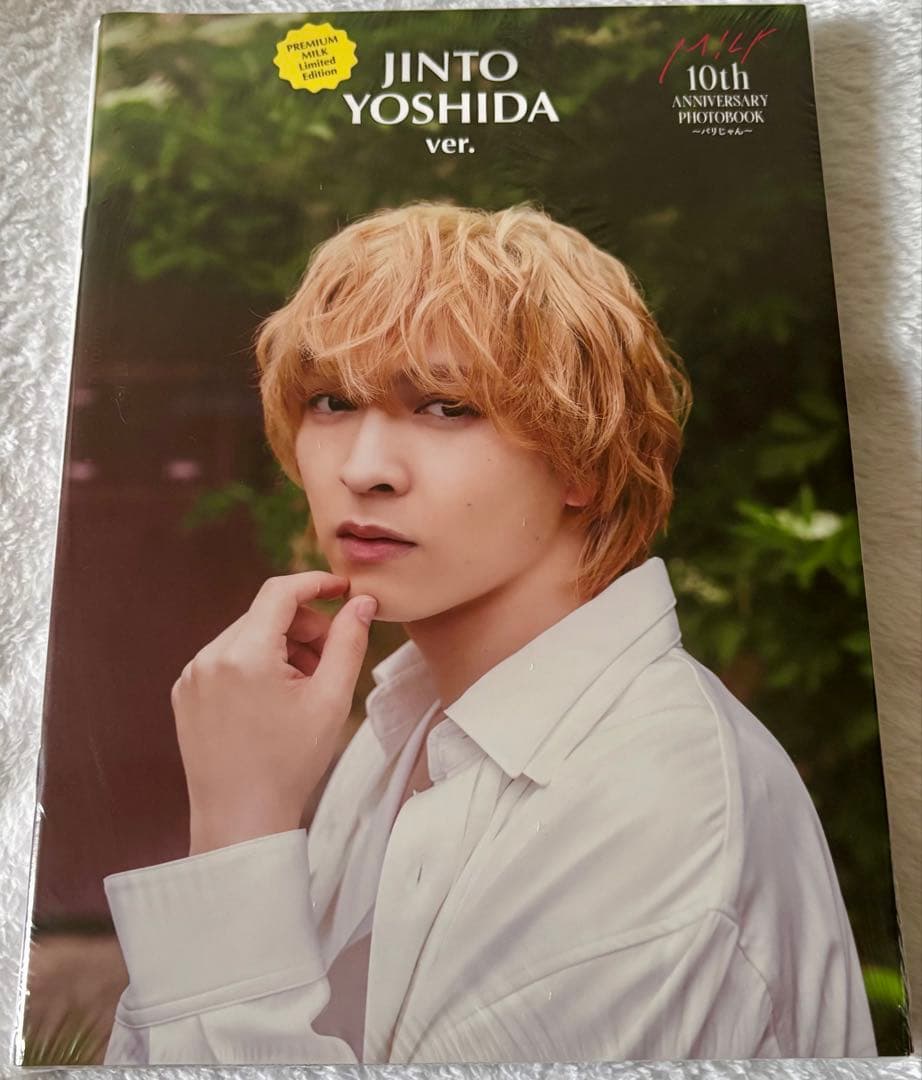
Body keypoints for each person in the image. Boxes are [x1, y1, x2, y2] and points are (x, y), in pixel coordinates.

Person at [102, 203, 876, 1064]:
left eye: (445, 407)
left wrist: (238, 829)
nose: (363, 468)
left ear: (582, 459)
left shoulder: (651, 805)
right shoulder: (412, 724)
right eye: (331, 401)